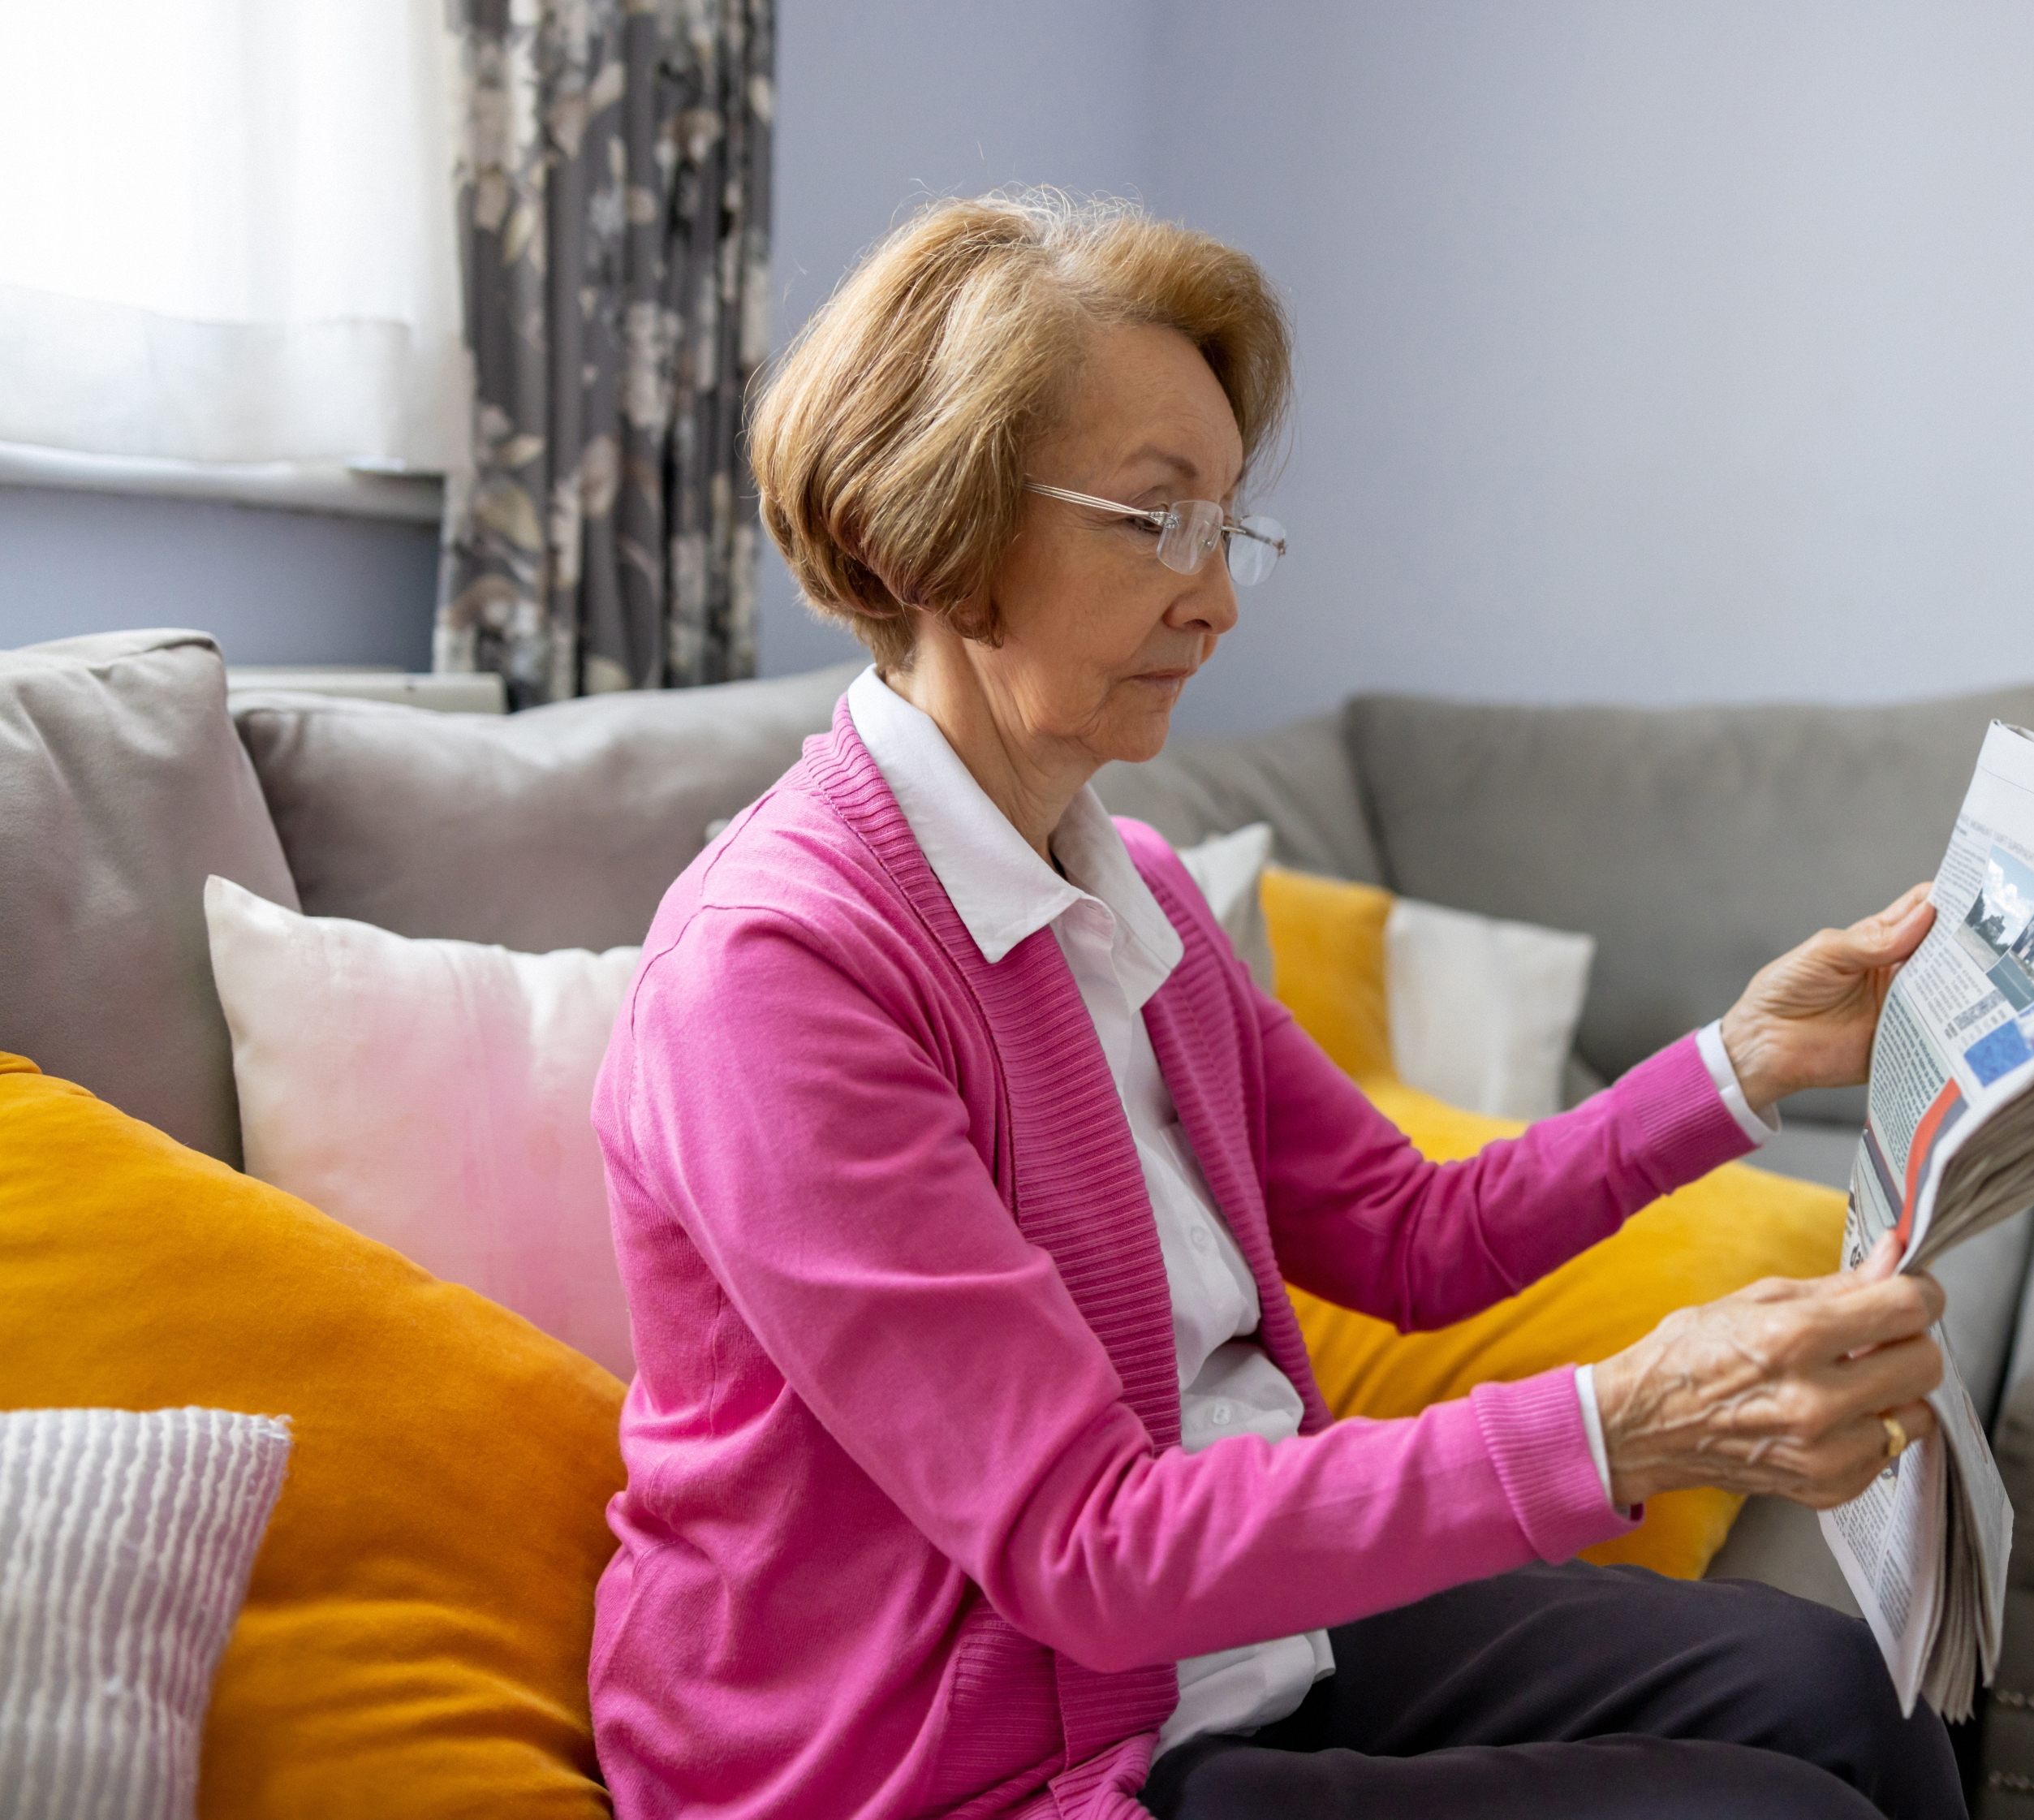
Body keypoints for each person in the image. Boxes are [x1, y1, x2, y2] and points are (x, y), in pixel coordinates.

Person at [588, 190, 1962, 1820]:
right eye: (1155, 520)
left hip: (1235, 1635)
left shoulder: (1134, 892)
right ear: (925, 534)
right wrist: (1623, 1422)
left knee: (1855, 1693)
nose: (1219, 601)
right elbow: (1080, 1547)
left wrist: (1748, 1059)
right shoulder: (776, 976)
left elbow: (1407, 1233)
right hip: (963, 1748)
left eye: (1227, 527)